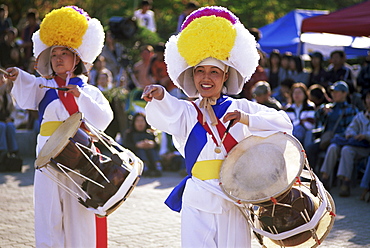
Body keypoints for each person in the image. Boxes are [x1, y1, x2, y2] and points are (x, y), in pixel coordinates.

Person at [142, 6, 292, 247]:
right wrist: (160, 95)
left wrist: (246, 119)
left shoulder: (244, 107)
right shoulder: (188, 110)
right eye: (199, 71)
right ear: (192, 76)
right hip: (197, 199)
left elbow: (284, 124)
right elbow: (166, 112)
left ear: (225, 77)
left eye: (214, 72)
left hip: (236, 199)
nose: (206, 78)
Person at [5, 6, 113, 247]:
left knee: (79, 216)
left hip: (80, 159)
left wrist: (81, 98)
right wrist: (17, 76)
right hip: (47, 158)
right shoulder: (43, 86)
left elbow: (104, 119)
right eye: (54, 54)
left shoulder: (89, 90)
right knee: (48, 213)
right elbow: (26, 92)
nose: (58, 58)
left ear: (77, 59)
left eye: (65, 53)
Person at [320, 89, 370, 197]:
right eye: (368, 98)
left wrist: (365, 135)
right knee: (333, 147)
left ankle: (345, 183)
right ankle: (325, 178)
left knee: (346, 150)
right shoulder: (361, 116)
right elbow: (351, 129)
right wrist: (351, 134)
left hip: (365, 147)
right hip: (354, 143)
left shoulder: (352, 109)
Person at [305, 81, 358, 173]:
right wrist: (322, 111)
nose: (333, 94)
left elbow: (351, 129)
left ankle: (327, 177)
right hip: (326, 139)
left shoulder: (351, 109)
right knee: (310, 148)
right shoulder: (329, 107)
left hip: (340, 140)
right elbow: (317, 117)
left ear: (344, 93)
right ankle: (311, 176)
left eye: (336, 92)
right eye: (332, 92)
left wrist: (338, 137)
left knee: (332, 147)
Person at [123, 112, 162, 177]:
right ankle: (144, 167)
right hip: (136, 157)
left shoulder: (150, 133)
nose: (140, 123)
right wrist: (136, 145)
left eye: (142, 121)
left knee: (152, 151)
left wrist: (152, 144)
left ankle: (157, 166)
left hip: (150, 155)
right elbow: (125, 146)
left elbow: (157, 145)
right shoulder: (129, 134)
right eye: (138, 121)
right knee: (141, 151)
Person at [285, 83, 315, 147]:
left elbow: (309, 125)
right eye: (295, 93)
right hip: (291, 132)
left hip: (305, 132)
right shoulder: (289, 108)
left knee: (298, 129)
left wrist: (296, 122)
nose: (297, 95)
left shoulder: (310, 107)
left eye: (299, 93)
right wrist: (301, 121)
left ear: (305, 94)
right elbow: (287, 124)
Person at [0, 71, 18, 165]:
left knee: (10, 126)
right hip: (1, 121)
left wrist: (10, 118)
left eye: (3, 79)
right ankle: (2, 151)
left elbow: (13, 110)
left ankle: (13, 151)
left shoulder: (8, 94)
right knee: (2, 126)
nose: (2, 81)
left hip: (6, 120)